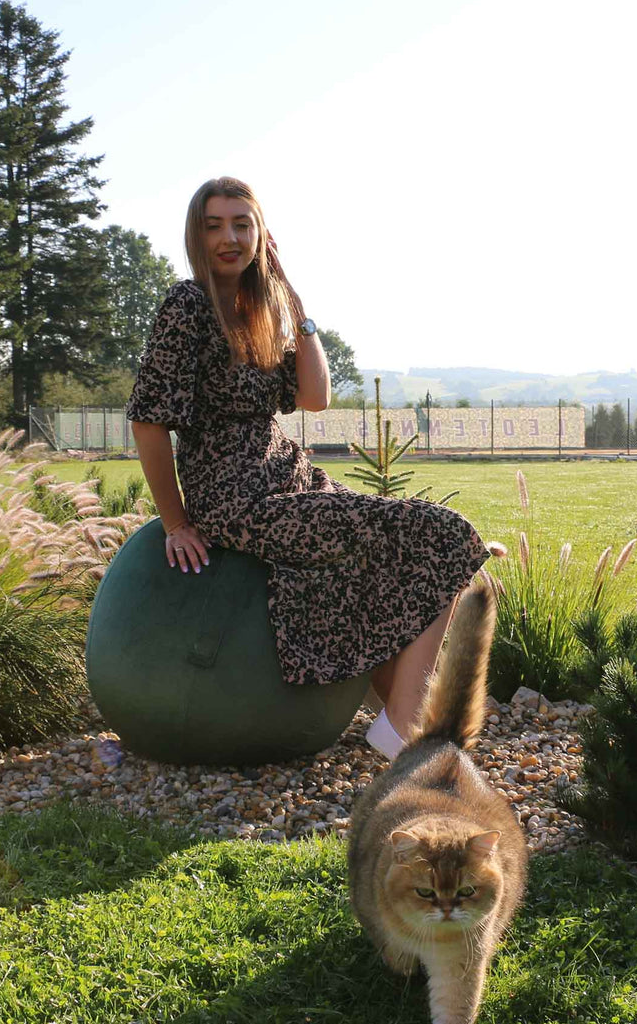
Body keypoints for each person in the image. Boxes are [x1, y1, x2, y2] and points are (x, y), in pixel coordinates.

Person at [126, 176, 489, 760]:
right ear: (196, 235)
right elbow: (148, 421)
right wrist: (176, 523)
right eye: (214, 225)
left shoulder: (264, 310)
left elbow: (315, 397)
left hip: (289, 476)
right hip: (238, 496)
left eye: (242, 224)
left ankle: (403, 723)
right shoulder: (186, 306)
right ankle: (402, 734)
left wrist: (295, 305)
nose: (229, 237)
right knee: (445, 537)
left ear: (262, 234)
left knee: (411, 552)